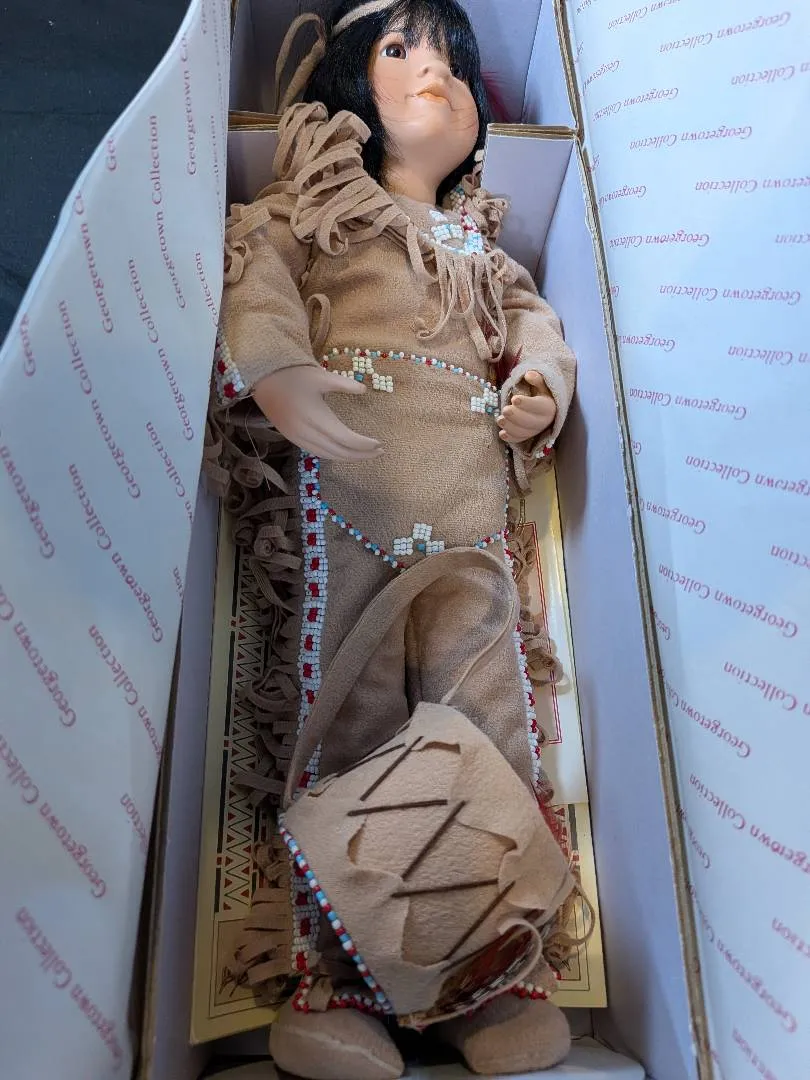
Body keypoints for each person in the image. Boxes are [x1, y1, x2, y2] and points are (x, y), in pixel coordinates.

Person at [208, 1, 579, 1075]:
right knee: (349, 718)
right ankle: (337, 985)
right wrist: (277, 371)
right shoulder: (317, 208)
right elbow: (255, 274)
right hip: (353, 494)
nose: (437, 74)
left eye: (455, 59)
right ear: (344, 83)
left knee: (489, 718)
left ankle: (487, 984)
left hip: (470, 508)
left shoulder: (481, 245)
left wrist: (538, 383)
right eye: (401, 49)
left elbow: (538, 325)